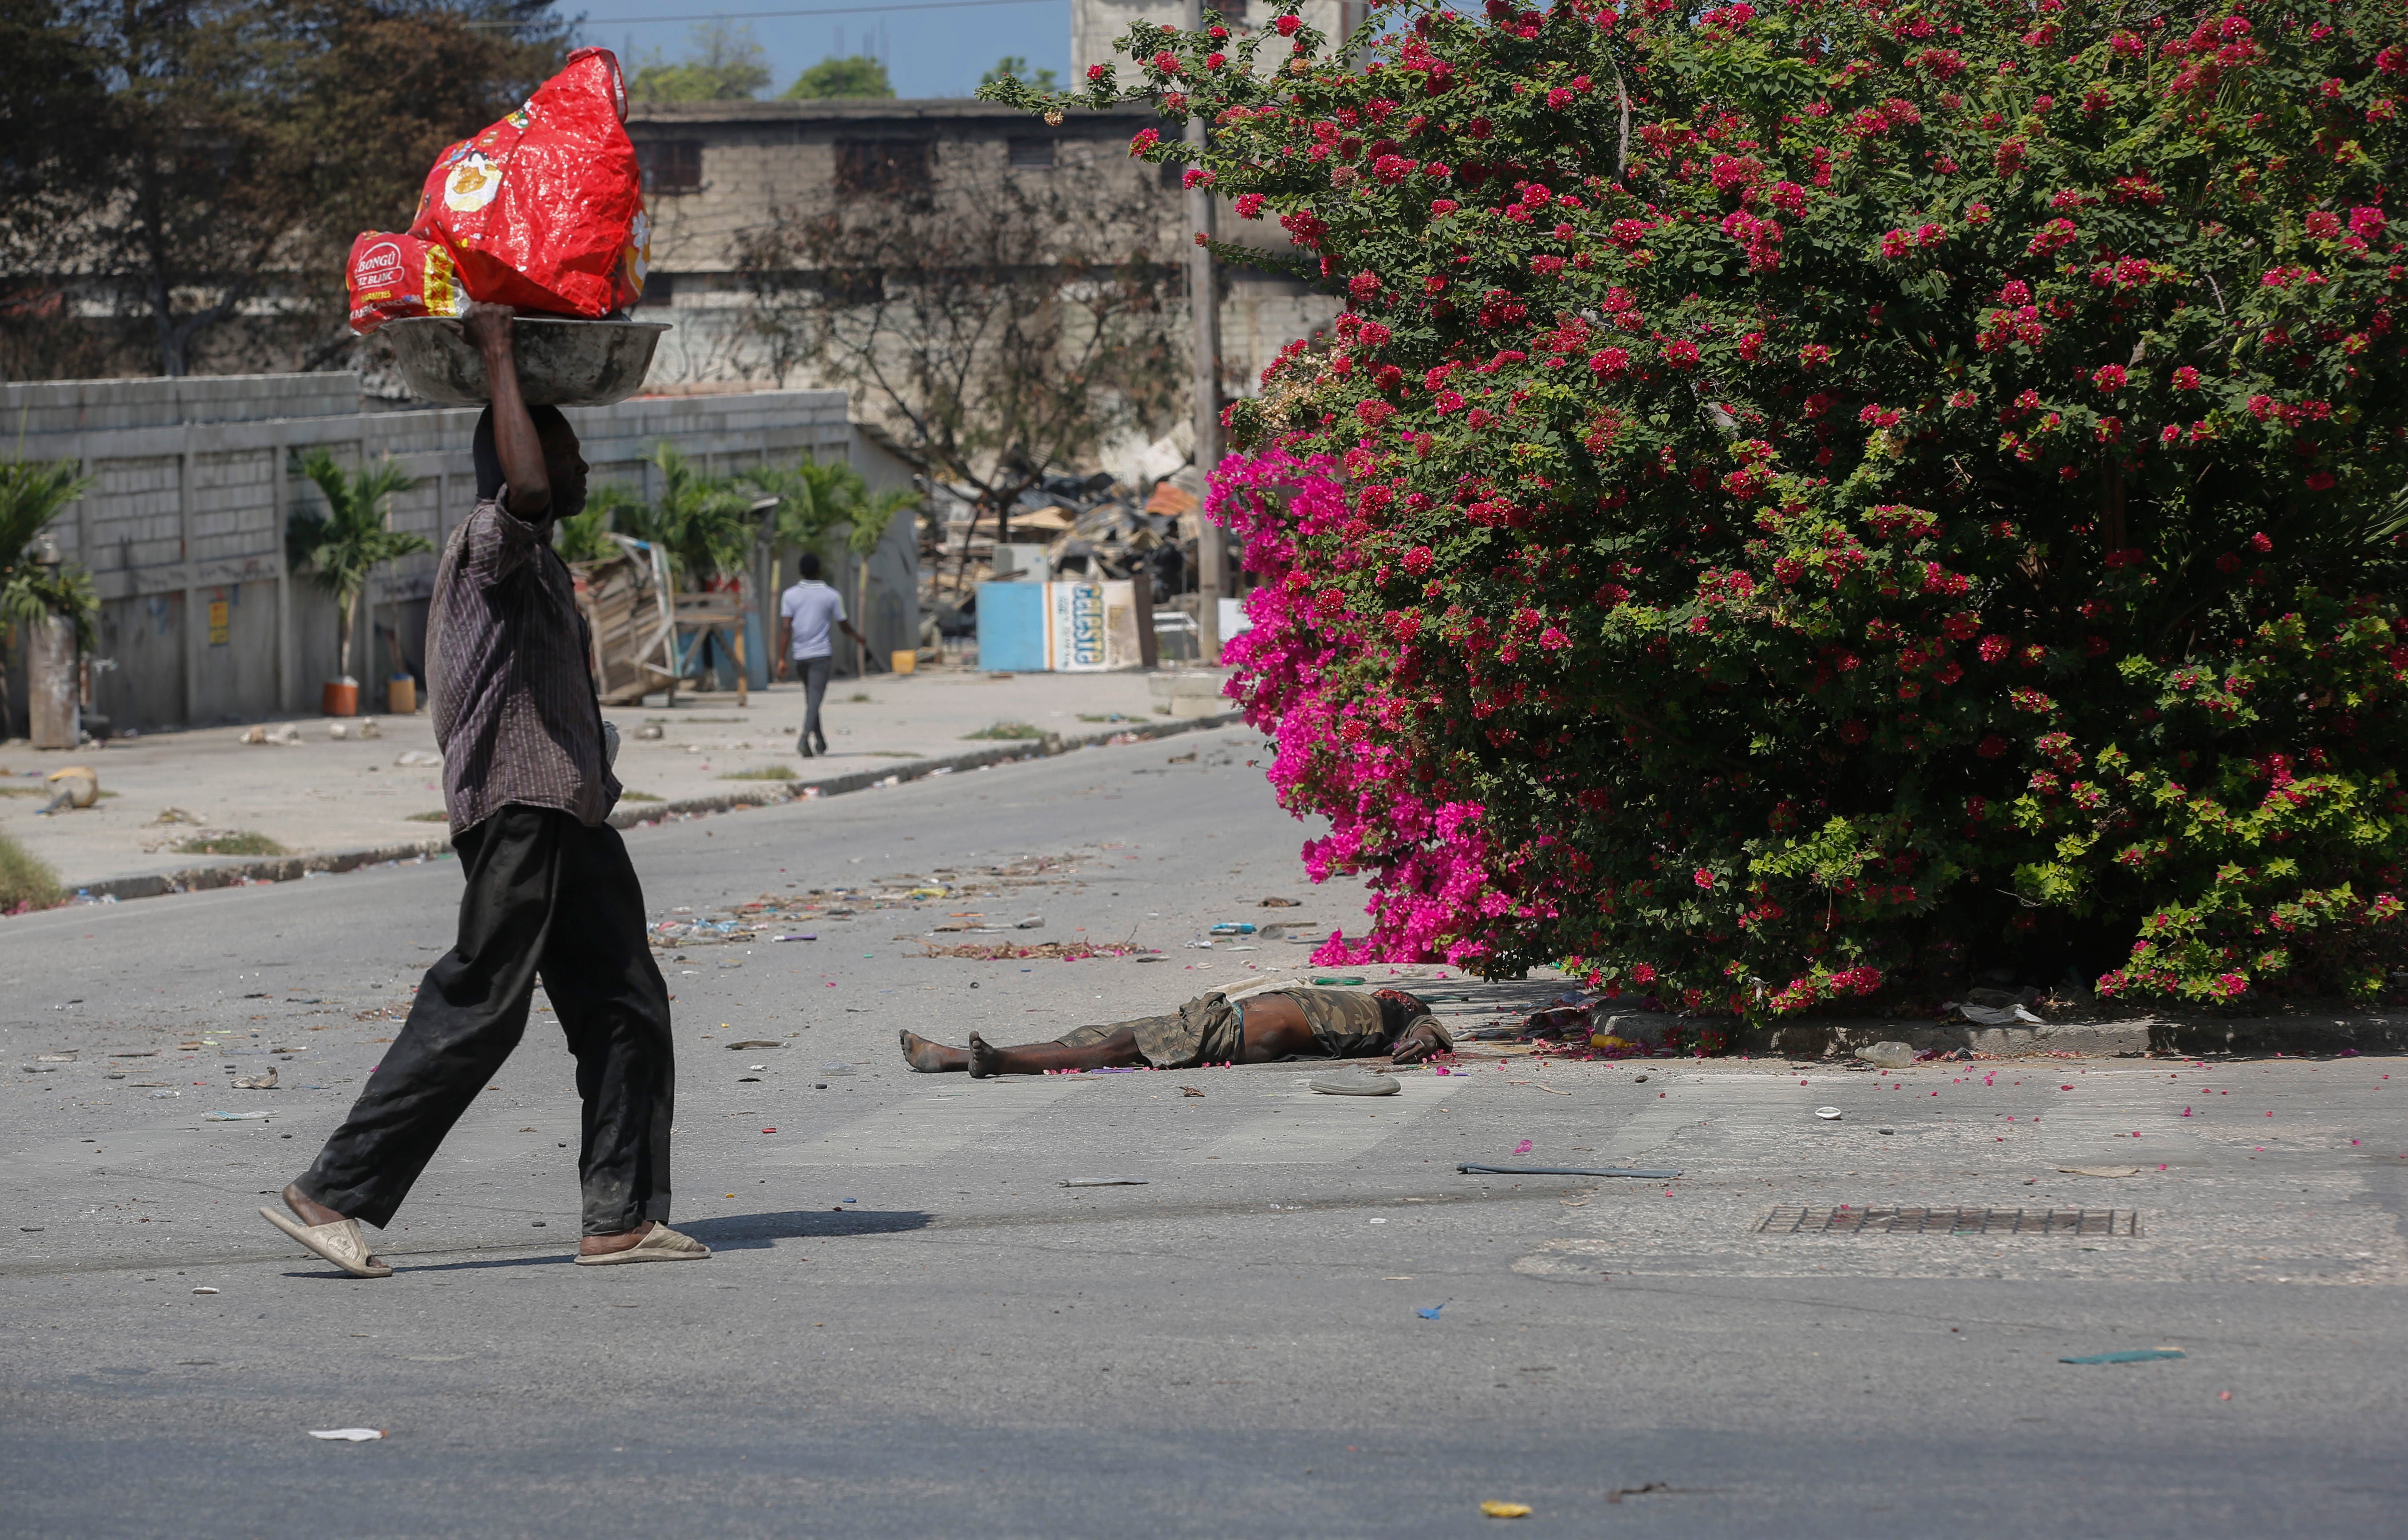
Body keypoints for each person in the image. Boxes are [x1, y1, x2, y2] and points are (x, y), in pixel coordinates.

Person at [258, 300, 702, 1278]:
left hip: (571, 814)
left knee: (628, 1005)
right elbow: (529, 489)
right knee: (481, 1002)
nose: (581, 470)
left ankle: (620, 1215)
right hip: (520, 812)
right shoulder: (486, 546)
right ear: (514, 464)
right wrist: (499, 348)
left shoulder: (538, 566)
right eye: (564, 452)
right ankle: (331, 1189)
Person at [899, 985, 1451, 1077]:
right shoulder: (1366, 1004)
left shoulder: (1399, 1017)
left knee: (1114, 1048)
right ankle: (953, 1057)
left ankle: (995, 1063)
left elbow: (1430, 1033)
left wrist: (1417, 1041)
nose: (1395, 994)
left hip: (1226, 1033)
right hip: (1212, 1016)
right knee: (1094, 1037)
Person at [776, 551, 868, 757]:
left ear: (801, 571)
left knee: (812, 699)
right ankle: (804, 737)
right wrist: (857, 637)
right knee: (815, 700)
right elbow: (843, 625)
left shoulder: (789, 595)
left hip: (800, 656)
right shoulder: (832, 595)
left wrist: (781, 659)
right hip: (820, 654)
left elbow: (785, 628)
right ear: (819, 571)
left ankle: (820, 741)